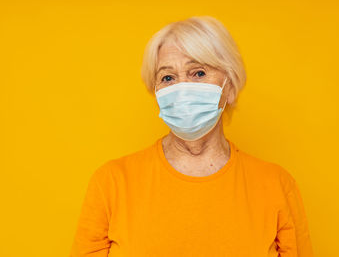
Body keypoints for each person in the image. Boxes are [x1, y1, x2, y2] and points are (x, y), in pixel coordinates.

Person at [70, 15, 314, 257]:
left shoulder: (276, 185)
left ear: (229, 86)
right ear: (155, 93)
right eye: (168, 77)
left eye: (198, 73)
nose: (182, 88)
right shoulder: (112, 183)